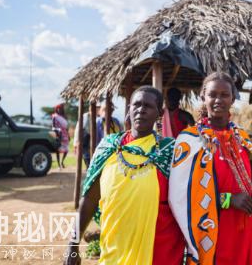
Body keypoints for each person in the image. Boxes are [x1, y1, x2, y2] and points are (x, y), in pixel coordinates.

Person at [64, 86, 184, 265]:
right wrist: (72, 245)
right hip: (114, 250)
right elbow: (89, 200)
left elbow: (186, 202)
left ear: (159, 113)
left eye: (148, 106)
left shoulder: (170, 152)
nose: (141, 109)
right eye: (136, 104)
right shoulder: (108, 147)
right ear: (129, 109)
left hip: (158, 252)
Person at [169, 72, 252, 265]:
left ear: (232, 99)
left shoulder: (242, 138)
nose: (218, 100)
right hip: (212, 234)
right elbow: (181, 197)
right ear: (203, 97)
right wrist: (228, 199)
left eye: (224, 95)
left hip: (244, 229)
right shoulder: (190, 141)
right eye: (213, 94)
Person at [73, 104, 101, 168]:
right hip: (85, 139)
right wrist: (75, 143)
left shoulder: (98, 117)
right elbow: (78, 129)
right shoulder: (86, 116)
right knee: (87, 157)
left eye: (98, 108)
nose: (97, 109)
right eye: (96, 108)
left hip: (95, 139)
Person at [52, 104, 69, 169]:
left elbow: (66, 127)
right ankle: (59, 164)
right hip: (58, 135)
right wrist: (58, 131)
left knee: (66, 150)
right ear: (56, 109)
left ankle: (62, 162)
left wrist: (68, 135)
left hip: (65, 135)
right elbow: (53, 126)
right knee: (58, 150)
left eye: (60, 108)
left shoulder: (64, 117)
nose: (59, 110)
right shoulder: (54, 117)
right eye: (58, 108)